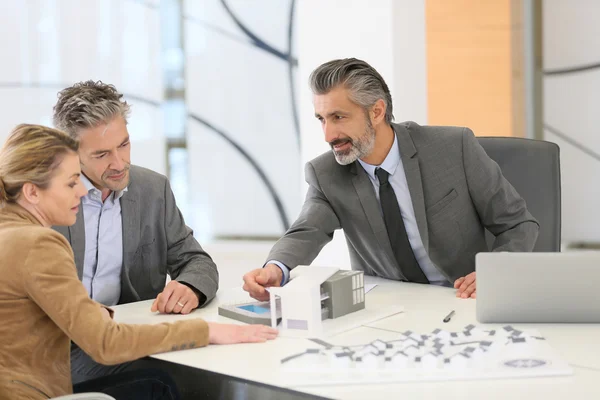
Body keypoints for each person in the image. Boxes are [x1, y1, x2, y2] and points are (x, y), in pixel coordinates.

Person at [0, 124, 277, 400]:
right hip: (35, 389)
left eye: (124, 144)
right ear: (32, 193)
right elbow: (106, 343)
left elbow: (193, 258)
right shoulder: (37, 243)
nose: (82, 192)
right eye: (72, 182)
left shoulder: (9, 232)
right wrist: (207, 331)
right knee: (163, 383)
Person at [243, 58, 539, 300]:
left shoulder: (453, 148)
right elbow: (306, 231)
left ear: (377, 111)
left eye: (338, 117)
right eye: (322, 119)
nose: (328, 136)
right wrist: (276, 268)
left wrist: (496, 270)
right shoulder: (326, 173)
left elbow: (517, 224)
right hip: (390, 309)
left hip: (463, 299)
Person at [51, 81, 220, 383]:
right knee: (167, 376)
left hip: (127, 339)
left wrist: (189, 287)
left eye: (124, 144)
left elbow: (196, 261)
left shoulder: (153, 189)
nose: (119, 163)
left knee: (207, 369)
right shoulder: (46, 199)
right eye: (102, 154)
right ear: (70, 153)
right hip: (58, 349)